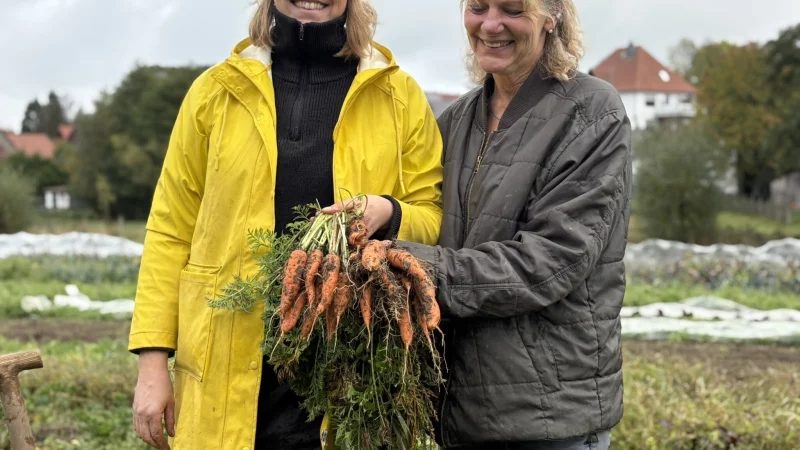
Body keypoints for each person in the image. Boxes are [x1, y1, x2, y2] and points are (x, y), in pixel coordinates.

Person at [128, 0, 444, 449]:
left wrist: (390, 210)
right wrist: (152, 362)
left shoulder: (398, 97)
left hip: (347, 357)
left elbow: (432, 216)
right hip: (225, 359)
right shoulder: (216, 92)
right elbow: (169, 230)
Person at [394, 0, 632, 449]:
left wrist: (415, 268)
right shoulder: (458, 119)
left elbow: (549, 262)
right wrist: (388, 218)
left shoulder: (592, 112)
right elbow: (428, 215)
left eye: (512, 10)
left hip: (547, 418)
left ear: (552, 15)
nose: (491, 24)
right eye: (478, 7)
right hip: (460, 413)